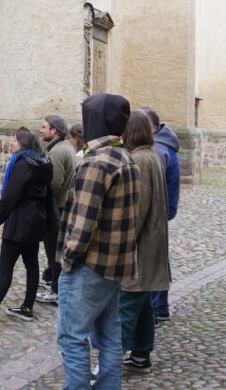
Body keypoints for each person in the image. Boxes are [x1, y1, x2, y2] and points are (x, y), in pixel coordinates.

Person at [56, 93, 139, 390]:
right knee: (109, 337)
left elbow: (82, 223)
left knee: (72, 337)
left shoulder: (97, 162)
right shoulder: (125, 157)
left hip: (88, 266)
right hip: (114, 264)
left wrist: (66, 259)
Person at [0, 127, 53, 325]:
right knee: (32, 264)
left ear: (23, 144)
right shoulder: (43, 163)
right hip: (35, 221)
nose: (11, 144)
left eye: (14, 141)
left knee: (5, 267)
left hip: (20, 222)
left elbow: (12, 194)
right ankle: (27, 307)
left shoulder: (24, 165)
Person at [119, 110, 171, 374]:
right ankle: (141, 355)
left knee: (127, 306)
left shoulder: (138, 160)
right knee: (142, 307)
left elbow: (136, 212)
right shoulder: (152, 155)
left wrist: (121, 244)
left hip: (139, 249)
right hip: (151, 246)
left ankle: (108, 363)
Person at [135, 106, 181, 322]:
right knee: (157, 253)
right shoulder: (161, 145)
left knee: (152, 255)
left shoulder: (157, 150)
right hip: (163, 207)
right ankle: (159, 306)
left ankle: (156, 307)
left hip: (158, 208)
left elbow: (148, 185)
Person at [36, 115, 77, 304]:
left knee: (54, 250)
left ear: (54, 131)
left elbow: (54, 182)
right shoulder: (65, 147)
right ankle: (53, 280)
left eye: (44, 127)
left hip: (56, 208)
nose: (41, 130)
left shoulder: (58, 152)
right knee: (56, 249)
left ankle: (56, 289)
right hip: (62, 207)